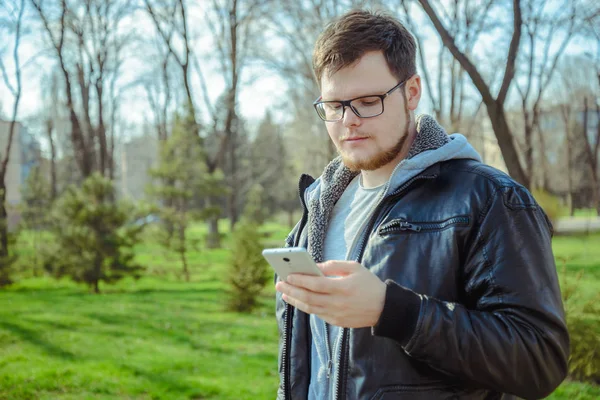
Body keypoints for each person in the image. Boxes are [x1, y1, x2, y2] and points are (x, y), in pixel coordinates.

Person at [274, 9, 570, 400]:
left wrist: (393, 311)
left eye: (367, 101)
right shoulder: (316, 212)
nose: (349, 121)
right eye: (334, 105)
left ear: (411, 92)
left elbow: (539, 361)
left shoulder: (489, 199)